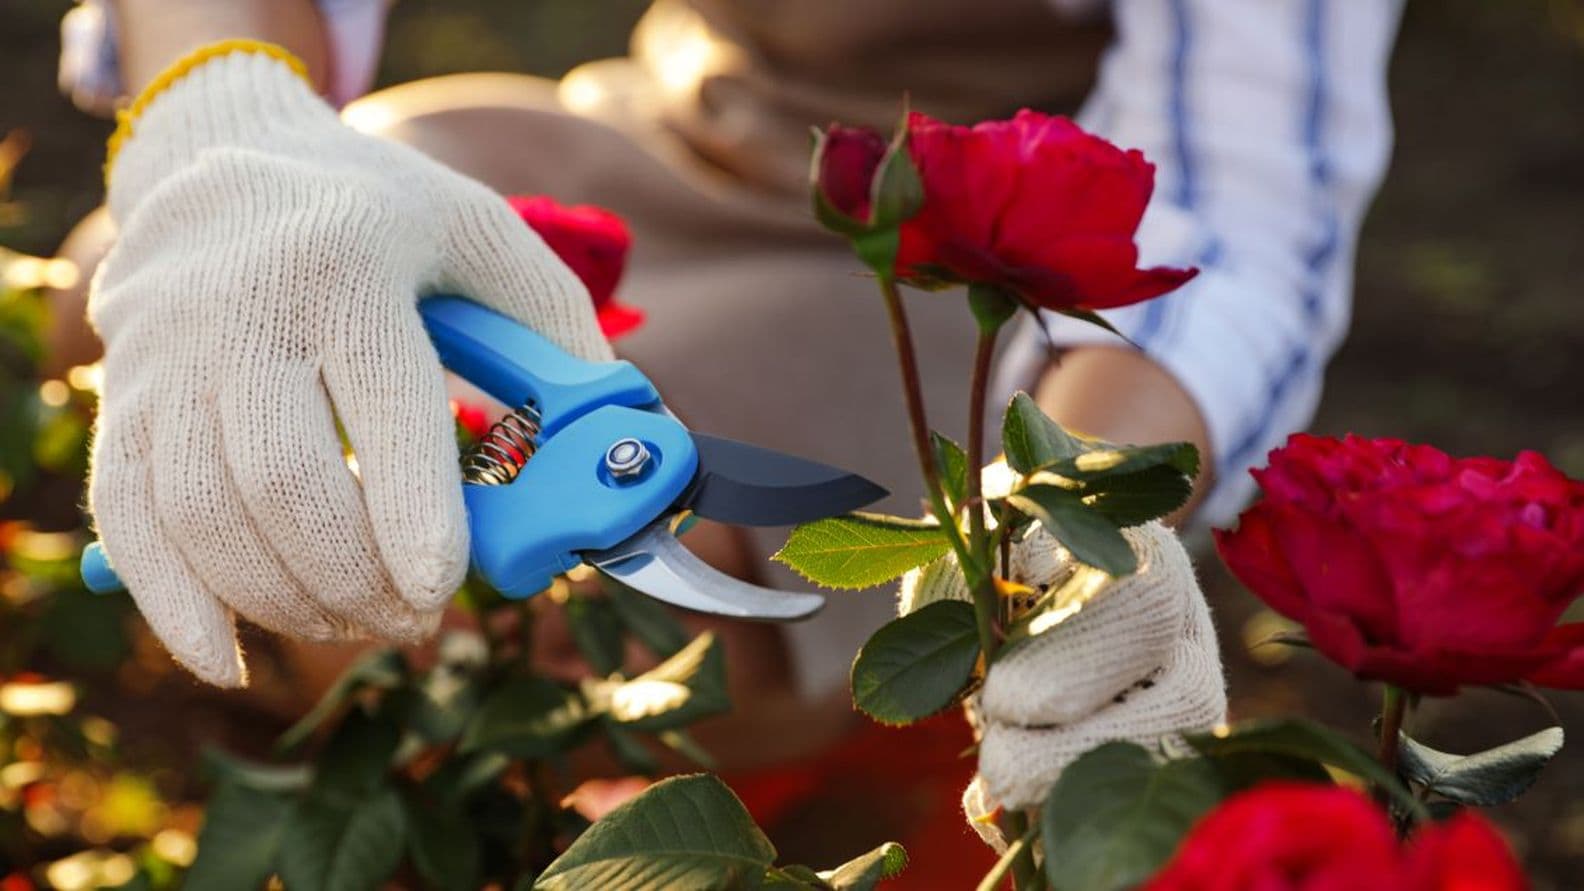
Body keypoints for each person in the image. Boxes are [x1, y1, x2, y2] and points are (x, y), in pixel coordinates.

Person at [52, 0, 1403, 851]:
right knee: (129, 301)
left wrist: (1074, 509)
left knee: (560, 611)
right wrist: (235, 125)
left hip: (949, 270)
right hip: (672, 134)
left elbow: (1238, 217)